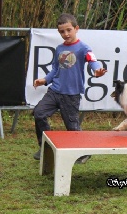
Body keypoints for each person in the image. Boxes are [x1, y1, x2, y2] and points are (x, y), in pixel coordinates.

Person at [32, 13, 107, 162]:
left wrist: (97, 70)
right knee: (39, 113)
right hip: (54, 91)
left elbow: (93, 61)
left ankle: (84, 152)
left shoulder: (83, 48)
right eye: (62, 31)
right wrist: (44, 80)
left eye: (68, 30)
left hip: (71, 95)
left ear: (76, 28)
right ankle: (45, 147)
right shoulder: (59, 49)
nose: (65, 34)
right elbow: (55, 69)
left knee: (72, 128)